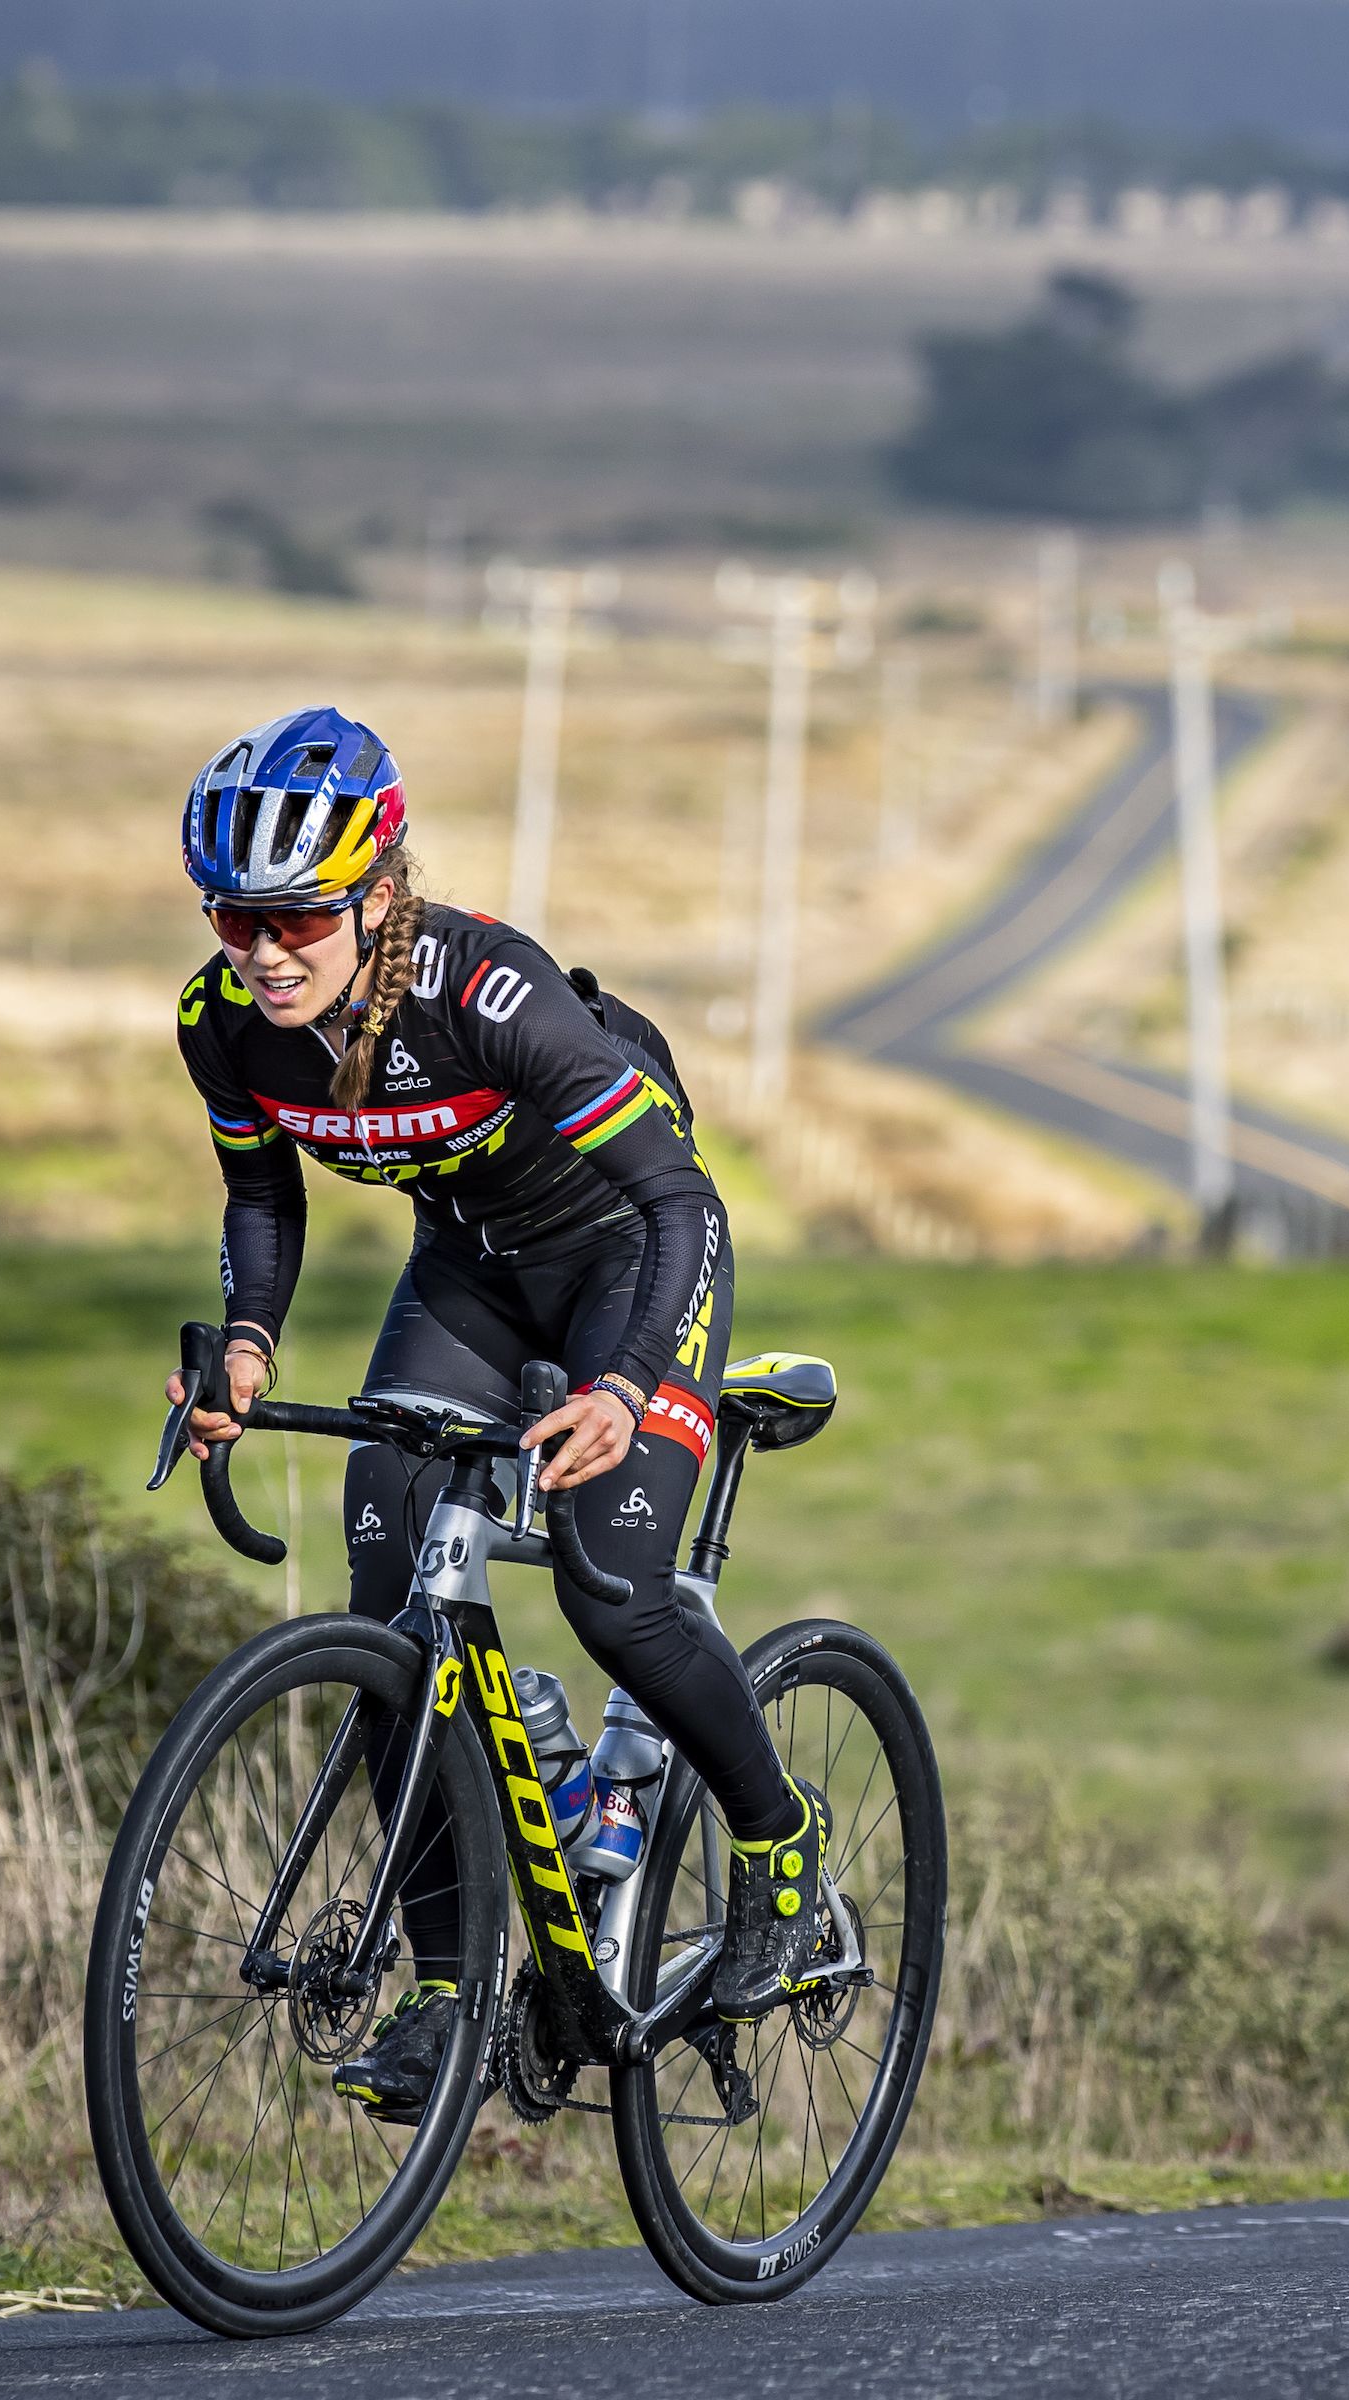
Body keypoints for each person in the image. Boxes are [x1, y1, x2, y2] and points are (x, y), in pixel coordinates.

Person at [162, 704, 831, 2121]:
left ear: (380, 894)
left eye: (301, 916)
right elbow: (259, 1193)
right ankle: (453, 1991)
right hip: (470, 1272)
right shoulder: (224, 1030)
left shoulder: (490, 997)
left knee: (610, 1583)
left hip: (629, 1256)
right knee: (393, 1589)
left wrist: (626, 1385)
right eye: (235, 919)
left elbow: (678, 1203)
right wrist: (242, 1348)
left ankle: (778, 1842)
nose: (265, 950)